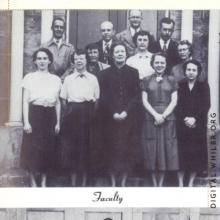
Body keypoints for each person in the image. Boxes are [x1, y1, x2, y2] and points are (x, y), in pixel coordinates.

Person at [99, 42, 140, 187]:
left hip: (128, 118)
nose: (120, 54)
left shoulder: (134, 72)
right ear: (112, 55)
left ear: (126, 54)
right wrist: (114, 112)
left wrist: (125, 111)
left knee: (127, 149)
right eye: (117, 52)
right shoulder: (104, 74)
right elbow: (103, 96)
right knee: (110, 149)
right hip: (110, 119)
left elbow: (136, 95)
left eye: (122, 51)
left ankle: (122, 181)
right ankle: (112, 181)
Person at [20, 48, 62, 187]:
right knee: (32, 148)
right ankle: (32, 180)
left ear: (49, 61)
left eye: (45, 58)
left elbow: (58, 102)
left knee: (47, 148)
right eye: (39, 58)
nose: (42, 61)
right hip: (34, 113)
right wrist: (26, 122)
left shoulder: (55, 79)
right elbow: (25, 101)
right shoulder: (29, 78)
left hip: (49, 114)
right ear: (35, 61)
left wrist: (58, 122)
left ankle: (43, 181)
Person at [60, 49, 100, 187]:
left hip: (88, 115)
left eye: (82, 58)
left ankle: (83, 183)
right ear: (73, 61)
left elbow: (97, 100)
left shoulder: (93, 78)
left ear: (86, 60)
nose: (79, 61)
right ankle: (72, 183)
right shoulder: (68, 79)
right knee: (73, 148)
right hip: (73, 114)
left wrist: (90, 114)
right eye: (76, 59)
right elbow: (63, 100)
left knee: (87, 147)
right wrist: (71, 113)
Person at [141, 52, 179, 187]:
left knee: (165, 149)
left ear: (166, 64)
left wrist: (163, 116)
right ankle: (154, 184)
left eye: (162, 62)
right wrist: (155, 115)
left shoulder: (172, 79)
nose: (159, 65)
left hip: (168, 119)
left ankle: (161, 184)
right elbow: (144, 101)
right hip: (150, 118)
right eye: (157, 62)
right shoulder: (146, 80)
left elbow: (174, 101)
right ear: (152, 64)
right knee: (151, 149)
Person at [175, 60, 210, 187]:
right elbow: (176, 105)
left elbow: (206, 105)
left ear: (198, 72)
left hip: (197, 125)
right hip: (182, 124)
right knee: (181, 154)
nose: (191, 72)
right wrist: (185, 119)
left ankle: (190, 183)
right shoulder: (179, 85)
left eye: (194, 70)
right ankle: (180, 183)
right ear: (184, 71)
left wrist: (194, 118)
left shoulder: (204, 86)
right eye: (189, 70)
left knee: (195, 154)